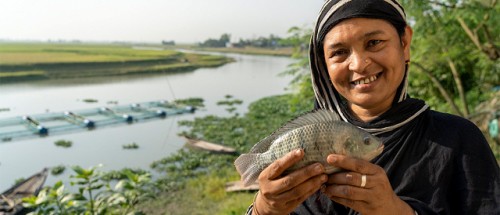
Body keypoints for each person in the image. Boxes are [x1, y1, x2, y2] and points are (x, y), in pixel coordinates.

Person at [245, 0, 500, 214]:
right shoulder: (301, 143)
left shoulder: (460, 139)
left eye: (374, 42)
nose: (358, 64)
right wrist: (262, 208)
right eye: (339, 52)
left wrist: (397, 210)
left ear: (405, 43)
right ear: (323, 64)